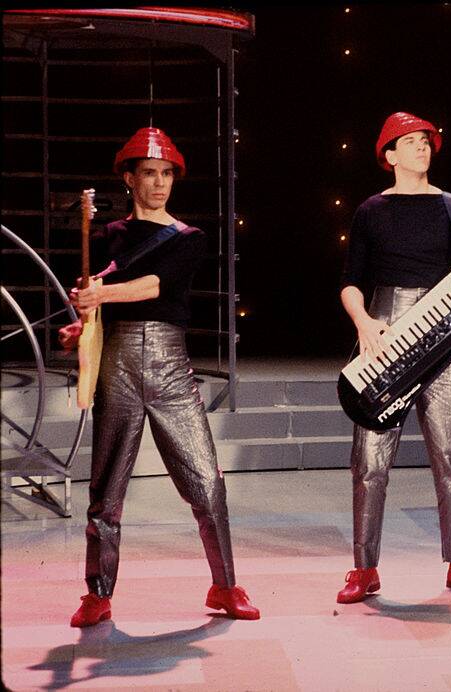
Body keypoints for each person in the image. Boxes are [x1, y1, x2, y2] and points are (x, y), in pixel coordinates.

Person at [59, 127, 260, 627]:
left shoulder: (189, 238)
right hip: (118, 365)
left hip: (171, 367)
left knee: (207, 483)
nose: (159, 183)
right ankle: (97, 593)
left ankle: (225, 585)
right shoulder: (106, 236)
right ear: (129, 178)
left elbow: (154, 286)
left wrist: (100, 295)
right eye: (149, 173)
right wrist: (78, 327)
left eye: (166, 174)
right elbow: (94, 310)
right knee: (106, 491)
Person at [336, 112, 451, 604]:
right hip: (386, 329)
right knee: (369, 459)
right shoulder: (371, 209)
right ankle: (364, 569)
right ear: (389, 156)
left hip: (441, 330)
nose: (421, 147)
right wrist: (364, 322)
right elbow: (351, 281)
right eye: (409, 142)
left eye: (425, 141)